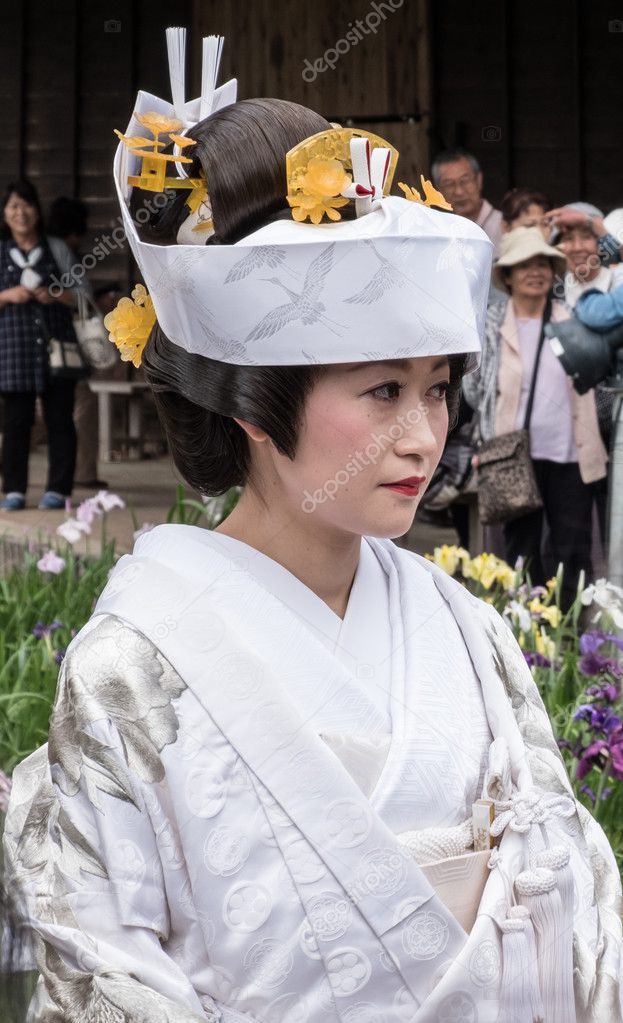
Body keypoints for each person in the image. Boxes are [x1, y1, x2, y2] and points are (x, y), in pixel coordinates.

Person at [4, 33, 621, 1023]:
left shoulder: (460, 629)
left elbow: (575, 898)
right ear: (252, 400)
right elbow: (102, 975)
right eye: (380, 391)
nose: (423, 435)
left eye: (434, 388)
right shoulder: (132, 667)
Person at [463, 226, 608, 607]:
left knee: (571, 551)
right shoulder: (491, 325)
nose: (536, 271)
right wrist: (485, 438)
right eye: (524, 264)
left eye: (543, 263)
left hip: (571, 457)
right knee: (520, 553)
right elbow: (474, 390)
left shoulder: (574, 320)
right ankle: (524, 636)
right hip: (514, 457)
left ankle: (568, 638)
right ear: (507, 275)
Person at [0, 180, 79, 510]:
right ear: (5, 214)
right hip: (13, 351)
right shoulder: (1, 252)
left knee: (60, 419)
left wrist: (57, 295)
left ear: (37, 210)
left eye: (27, 204)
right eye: (14, 206)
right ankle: (14, 489)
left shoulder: (57, 248)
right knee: (16, 422)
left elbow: (84, 296)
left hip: (56, 349)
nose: (21, 213)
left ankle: (58, 490)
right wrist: (8, 296)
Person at [47, 196, 110, 489]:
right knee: (80, 403)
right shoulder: (59, 249)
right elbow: (81, 295)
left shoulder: (18, 249)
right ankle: (84, 473)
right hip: (58, 344)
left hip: (22, 345)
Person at [430, 147, 503, 250]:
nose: (458, 191)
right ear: (438, 190)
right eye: (449, 184)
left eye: (464, 181)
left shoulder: (503, 226)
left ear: (479, 180)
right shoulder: (436, 233)